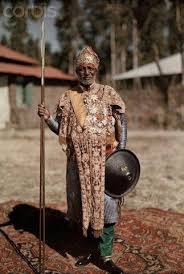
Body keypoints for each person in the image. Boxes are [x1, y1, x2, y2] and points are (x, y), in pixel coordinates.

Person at [38, 46, 127, 274]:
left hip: (106, 160)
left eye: (90, 68)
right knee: (82, 207)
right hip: (78, 163)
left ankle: (105, 256)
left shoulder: (108, 93)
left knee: (106, 208)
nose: (86, 72)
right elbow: (62, 131)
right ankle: (90, 249)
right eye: (81, 68)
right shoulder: (68, 98)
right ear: (77, 71)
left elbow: (122, 124)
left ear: (96, 69)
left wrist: (121, 154)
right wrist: (48, 119)